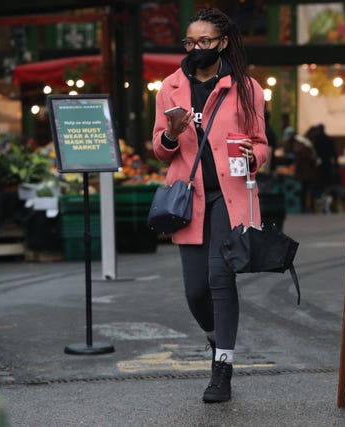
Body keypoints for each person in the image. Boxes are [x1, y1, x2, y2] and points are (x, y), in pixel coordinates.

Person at [152, 8, 267, 404]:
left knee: (221, 279)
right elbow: (160, 151)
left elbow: (261, 142)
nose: (196, 48)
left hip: (230, 197)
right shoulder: (169, 88)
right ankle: (217, 337)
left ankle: (223, 367)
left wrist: (256, 153)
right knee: (196, 291)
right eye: (190, 41)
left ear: (222, 43)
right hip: (189, 198)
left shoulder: (247, 88)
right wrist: (170, 134)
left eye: (204, 41)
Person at [282, 126, 318, 212]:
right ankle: (308, 207)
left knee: (305, 189)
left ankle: (305, 208)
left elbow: (299, 155)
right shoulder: (301, 140)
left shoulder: (298, 142)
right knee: (307, 189)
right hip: (308, 170)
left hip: (305, 170)